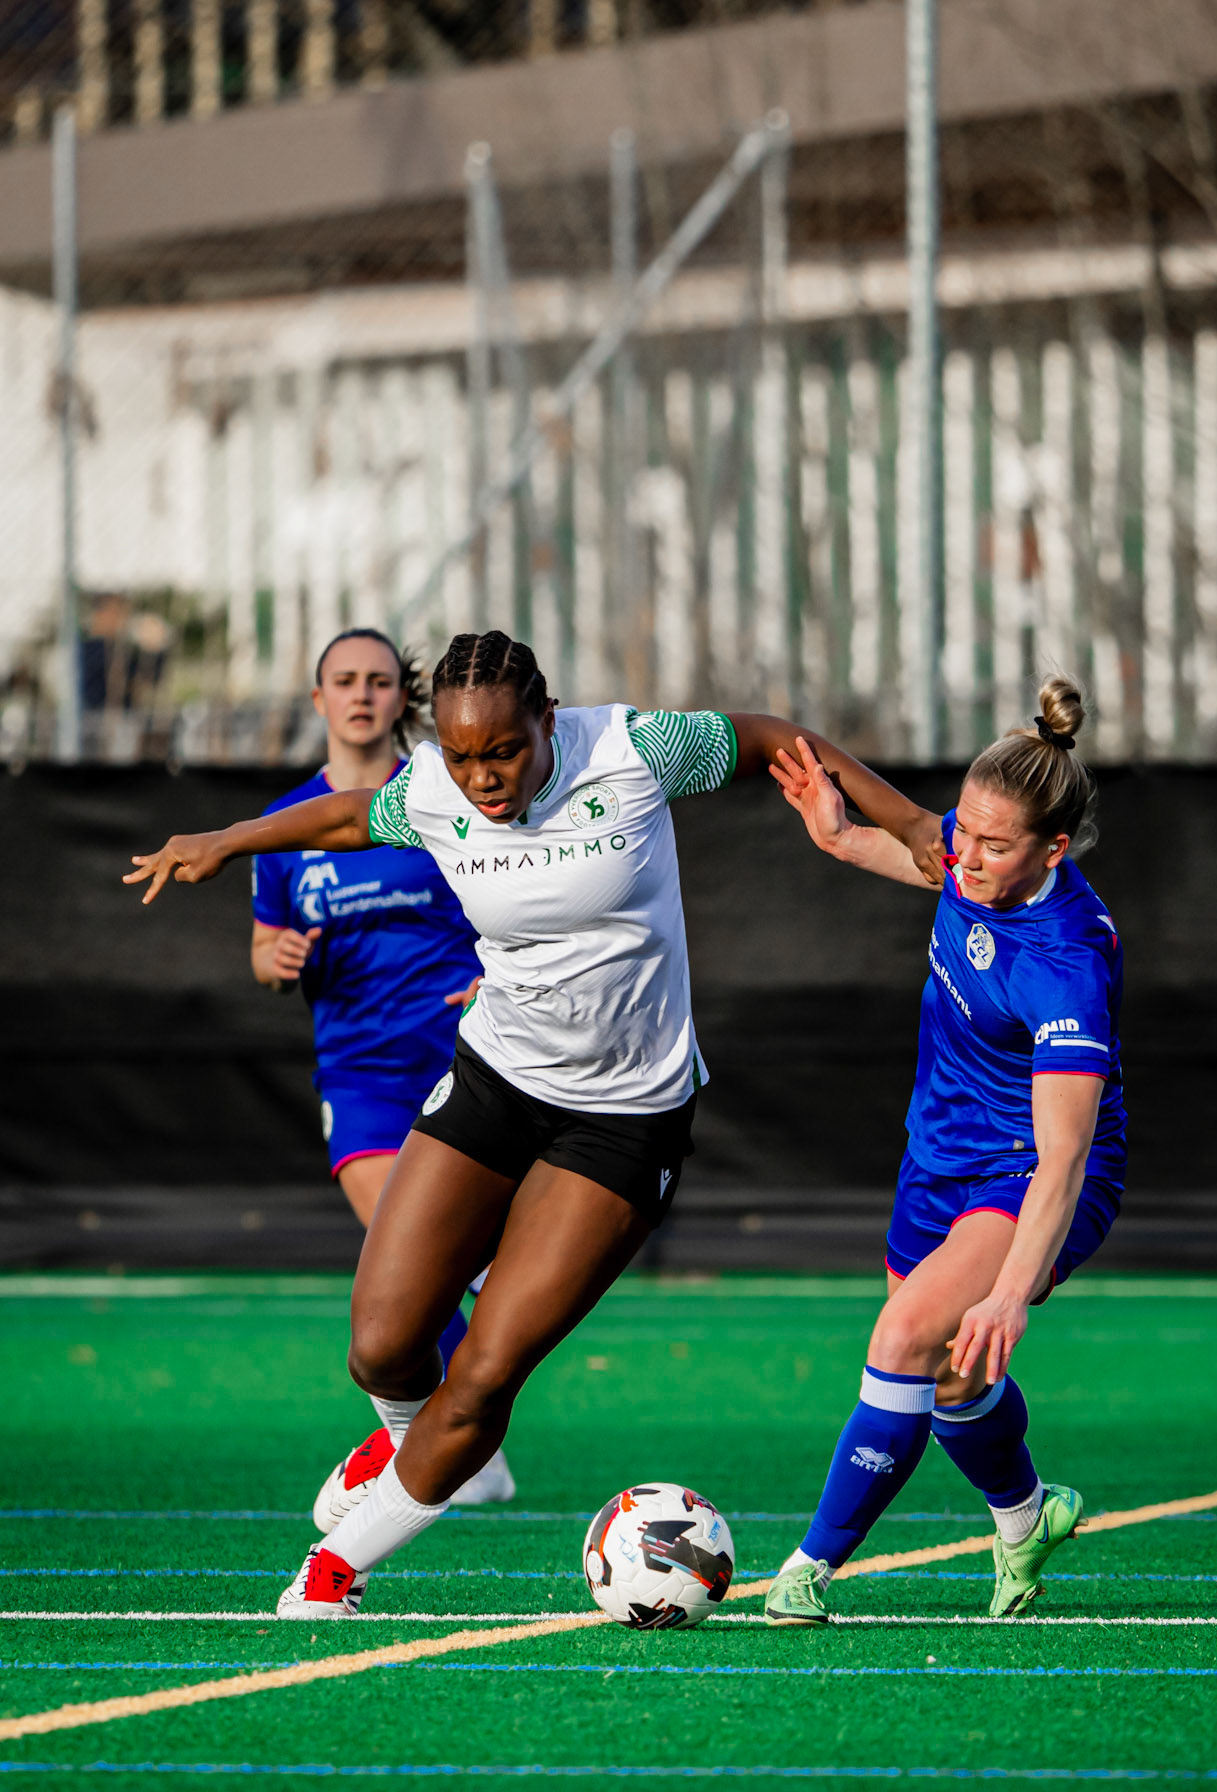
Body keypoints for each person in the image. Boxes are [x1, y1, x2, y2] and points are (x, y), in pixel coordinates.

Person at [124, 628, 945, 1618]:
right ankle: (412, 1447)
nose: (483, 778)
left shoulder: (634, 749)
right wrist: (223, 839)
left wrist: (907, 821)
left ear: (547, 721)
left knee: (482, 1376)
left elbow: (777, 733)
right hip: (495, 1081)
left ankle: (335, 1569)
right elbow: (347, 818)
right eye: (465, 757)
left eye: (504, 751)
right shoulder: (433, 788)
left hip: (626, 1119)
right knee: (383, 1345)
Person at [762, 676, 1125, 1624]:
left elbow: (1063, 1160)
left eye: (992, 844)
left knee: (904, 1338)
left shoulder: (1065, 965)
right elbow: (923, 853)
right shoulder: (970, 858)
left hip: (1031, 1172)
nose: (963, 853)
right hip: (937, 1158)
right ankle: (1027, 1516)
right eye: (961, 827)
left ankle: (805, 1570)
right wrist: (838, 833)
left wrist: (1010, 1291)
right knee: (954, 1378)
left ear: (1050, 849)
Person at [249, 627, 514, 1517]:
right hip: (357, 1074)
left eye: (376, 681)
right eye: (341, 681)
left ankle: (462, 1442)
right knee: (402, 1251)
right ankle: (453, 1445)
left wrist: (496, 973)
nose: (360, 695)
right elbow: (260, 945)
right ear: (318, 699)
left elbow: (510, 899)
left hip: (460, 1060)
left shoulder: (441, 797)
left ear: (400, 699)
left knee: (440, 1257)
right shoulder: (287, 825)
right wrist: (275, 955)